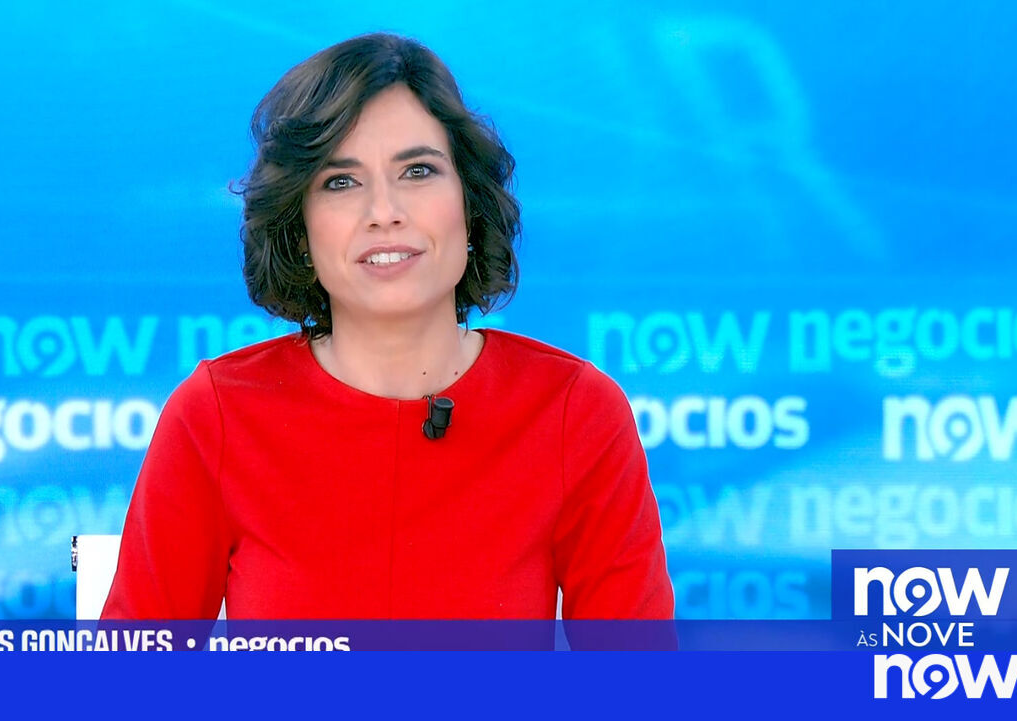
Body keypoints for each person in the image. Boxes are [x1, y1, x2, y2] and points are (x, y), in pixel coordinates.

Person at [101, 32, 673, 620]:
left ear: (470, 205)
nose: (384, 213)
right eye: (340, 182)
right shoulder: (216, 417)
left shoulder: (575, 413)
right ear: (300, 231)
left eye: (418, 171)